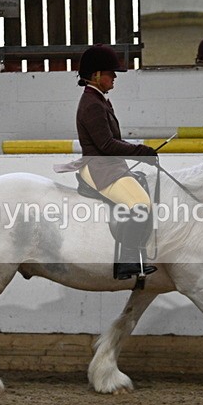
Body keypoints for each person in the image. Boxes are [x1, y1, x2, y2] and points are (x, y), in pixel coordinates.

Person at [54, 44, 158, 280]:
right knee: (140, 204)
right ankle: (127, 261)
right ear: (96, 75)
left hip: (108, 164)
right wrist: (141, 152)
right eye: (111, 73)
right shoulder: (92, 104)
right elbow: (107, 145)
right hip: (99, 167)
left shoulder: (99, 100)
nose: (114, 78)